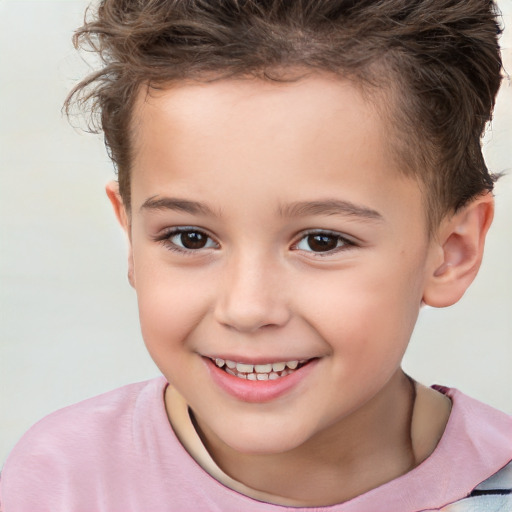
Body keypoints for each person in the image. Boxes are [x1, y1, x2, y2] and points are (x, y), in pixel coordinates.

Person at [1, 0, 511, 510]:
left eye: (321, 241)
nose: (246, 308)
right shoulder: (65, 485)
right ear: (130, 235)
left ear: (451, 252)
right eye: (190, 237)